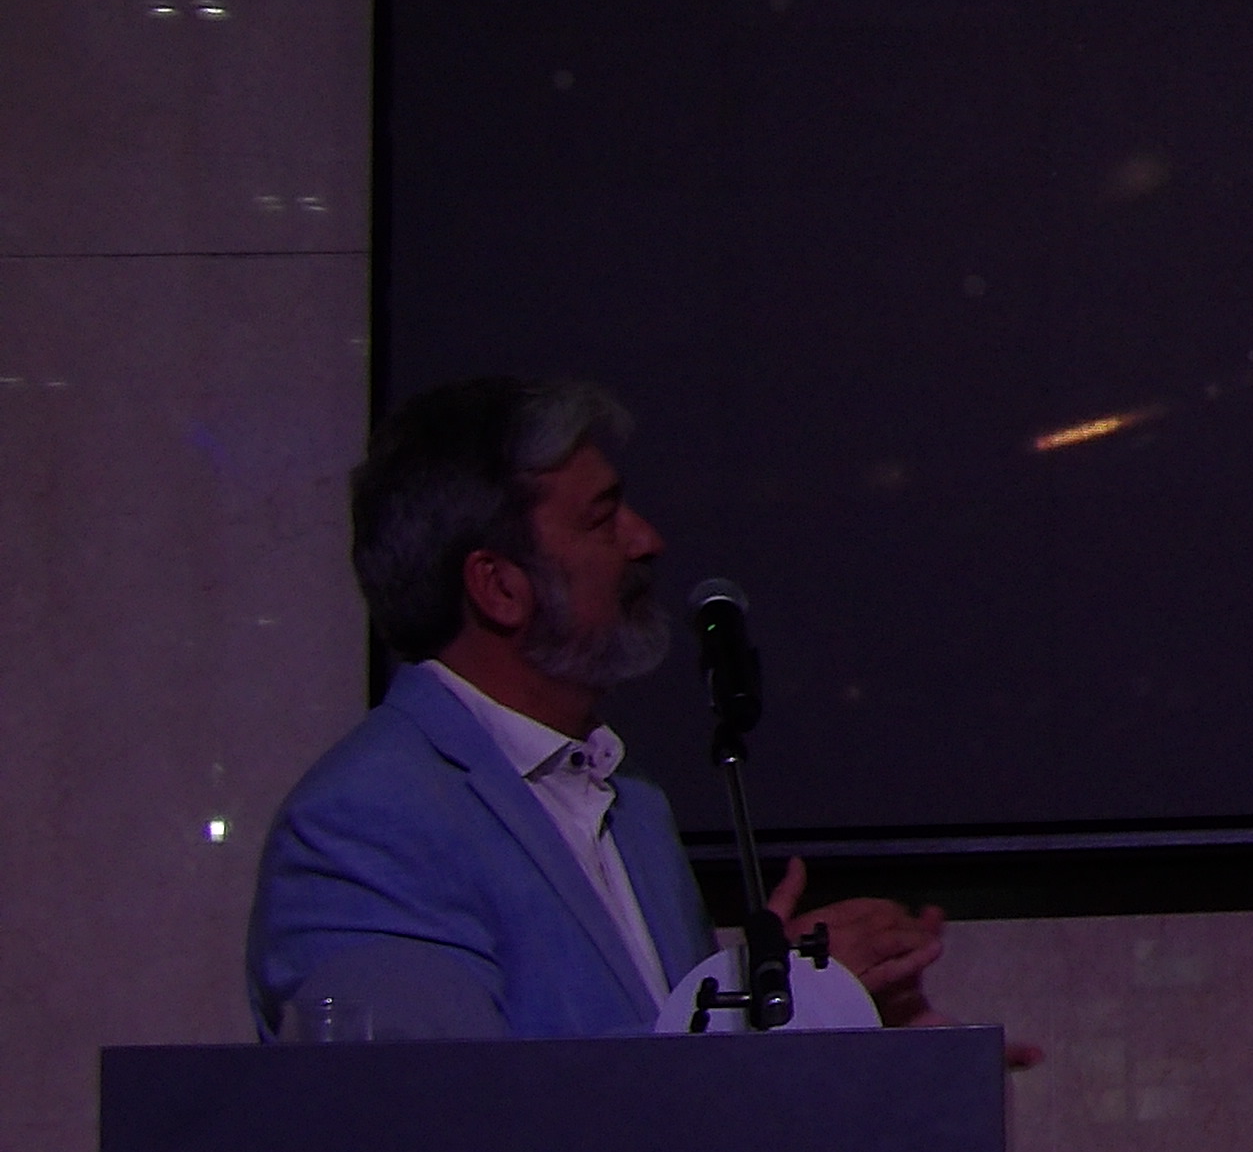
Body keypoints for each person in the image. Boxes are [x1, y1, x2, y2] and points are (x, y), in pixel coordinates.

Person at [245, 377, 958, 1042]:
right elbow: (437, 1117)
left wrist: (808, 1018)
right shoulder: (365, 824)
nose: (647, 540)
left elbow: (675, 1079)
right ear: (499, 588)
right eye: (602, 518)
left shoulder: (632, 803)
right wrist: (790, 1009)